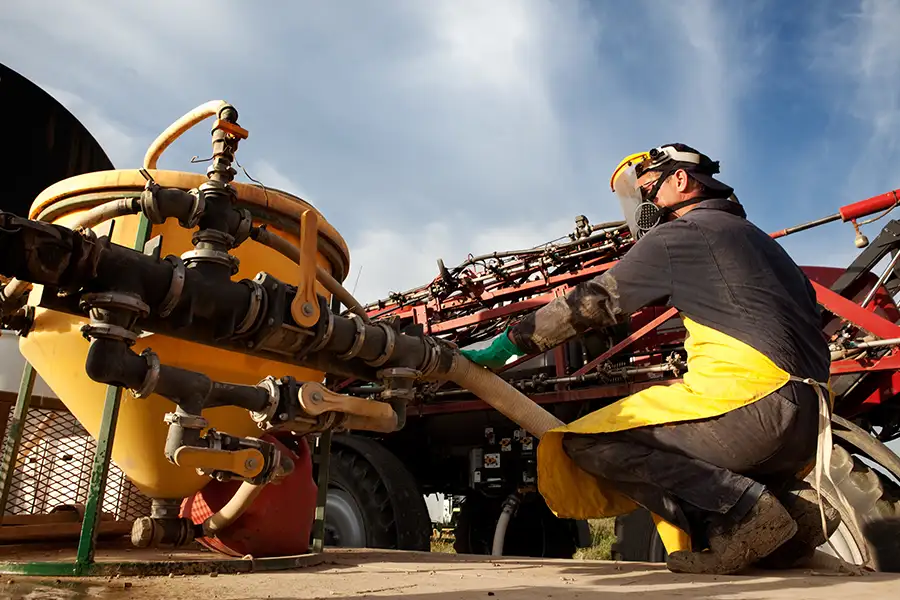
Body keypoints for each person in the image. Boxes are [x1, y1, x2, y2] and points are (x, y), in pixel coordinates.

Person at [462, 143, 839, 575]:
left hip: (755, 408)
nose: (644, 207)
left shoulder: (683, 234)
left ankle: (746, 511)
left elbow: (596, 301)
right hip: (812, 421)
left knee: (585, 440)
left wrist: (508, 343)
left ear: (681, 181)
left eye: (648, 191)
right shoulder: (764, 246)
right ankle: (794, 511)